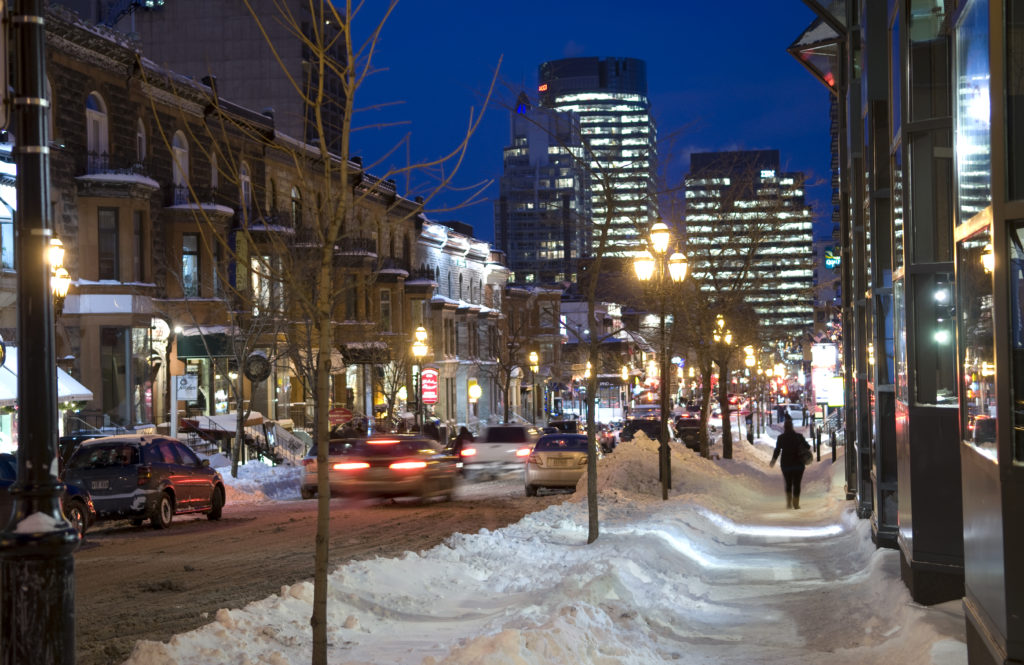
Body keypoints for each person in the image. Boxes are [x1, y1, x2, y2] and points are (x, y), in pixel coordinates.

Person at [769, 414, 810, 509]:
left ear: (784, 428)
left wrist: (773, 460)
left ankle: (788, 502)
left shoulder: (781, 438)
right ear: (792, 427)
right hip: (798, 464)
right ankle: (796, 503)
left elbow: (777, 450)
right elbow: (807, 447)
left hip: (786, 464)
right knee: (797, 484)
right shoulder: (799, 436)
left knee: (788, 483)